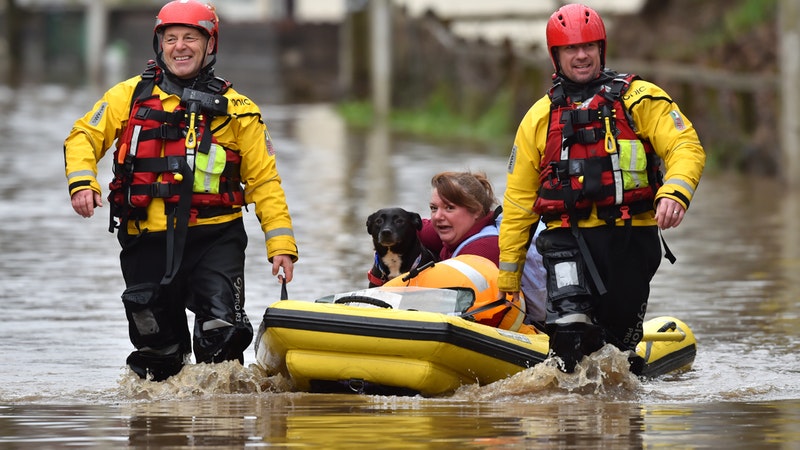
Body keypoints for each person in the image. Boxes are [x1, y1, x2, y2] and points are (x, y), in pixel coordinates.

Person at [63, 0, 298, 381]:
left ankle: (223, 413)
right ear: (160, 45)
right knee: (157, 351)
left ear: (210, 44)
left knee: (221, 338)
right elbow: (83, 137)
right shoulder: (127, 96)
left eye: (191, 37)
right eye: (171, 38)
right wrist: (81, 182)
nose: (180, 46)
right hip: (146, 236)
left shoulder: (239, 110)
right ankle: (158, 413)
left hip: (215, 238)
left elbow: (264, 182)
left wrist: (281, 244)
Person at [497, 3, 705, 374]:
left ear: (601, 49)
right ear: (556, 55)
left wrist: (675, 192)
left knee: (618, 351)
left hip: (630, 238)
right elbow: (518, 202)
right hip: (566, 239)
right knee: (569, 330)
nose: (581, 55)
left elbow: (684, 146)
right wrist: (509, 276)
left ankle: (620, 398)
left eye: (588, 46)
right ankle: (565, 404)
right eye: (571, 48)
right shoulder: (538, 118)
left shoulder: (640, 98)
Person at [419, 171, 501, 265]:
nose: (437, 216)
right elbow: (412, 228)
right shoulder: (456, 228)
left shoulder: (483, 249)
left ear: (476, 211)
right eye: (434, 208)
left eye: (449, 208)